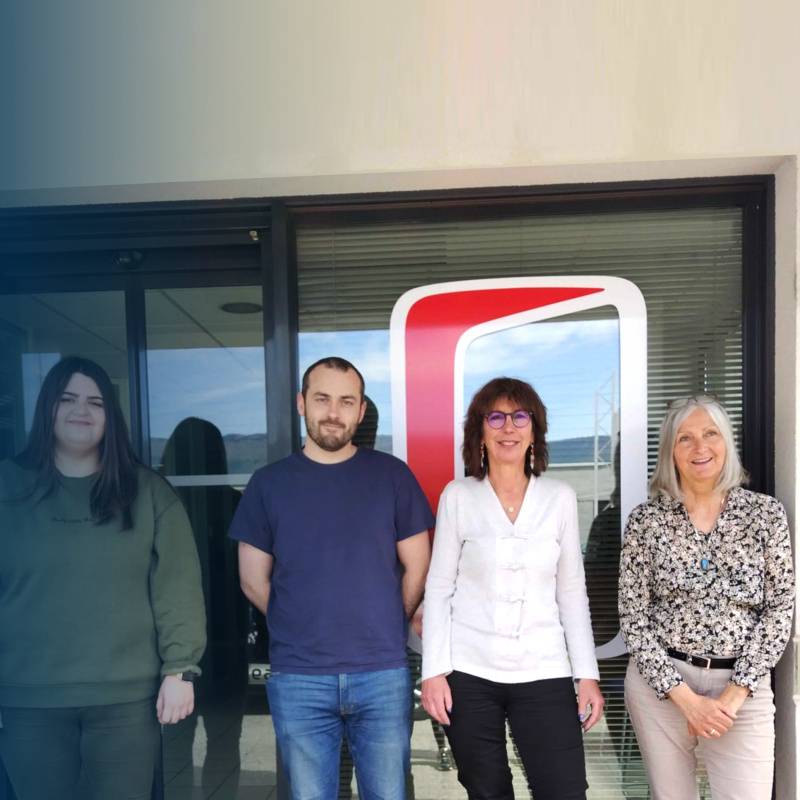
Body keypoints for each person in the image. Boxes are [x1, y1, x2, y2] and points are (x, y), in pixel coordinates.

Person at [0, 356, 206, 800]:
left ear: (110, 417)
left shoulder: (148, 492)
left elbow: (177, 587)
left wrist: (180, 669)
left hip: (125, 702)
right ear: (47, 408)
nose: (82, 410)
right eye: (68, 399)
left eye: (96, 403)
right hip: (28, 699)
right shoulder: (7, 487)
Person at [229, 356, 433, 800]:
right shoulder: (268, 484)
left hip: (381, 672)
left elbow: (419, 565)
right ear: (301, 403)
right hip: (299, 676)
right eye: (322, 399)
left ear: (361, 410)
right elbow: (251, 580)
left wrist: (386, 618)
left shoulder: (391, 476)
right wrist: (299, 621)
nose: (334, 413)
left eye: (347, 401)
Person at [421, 377, 603, 800]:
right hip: (470, 672)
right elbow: (439, 587)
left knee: (564, 791)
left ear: (535, 431)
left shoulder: (559, 497)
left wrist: (587, 676)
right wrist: (433, 672)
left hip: (544, 669)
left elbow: (571, 593)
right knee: (487, 791)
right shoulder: (458, 496)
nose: (509, 427)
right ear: (480, 432)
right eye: (496, 417)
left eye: (521, 417)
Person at [619, 395, 794, 800]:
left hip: (743, 691)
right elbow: (633, 618)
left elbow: (780, 609)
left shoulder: (765, 515)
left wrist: (734, 694)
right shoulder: (646, 521)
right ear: (671, 450)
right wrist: (684, 698)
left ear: (726, 442)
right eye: (685, 438)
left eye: (710, 434)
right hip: (662, 689)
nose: (700, 447)